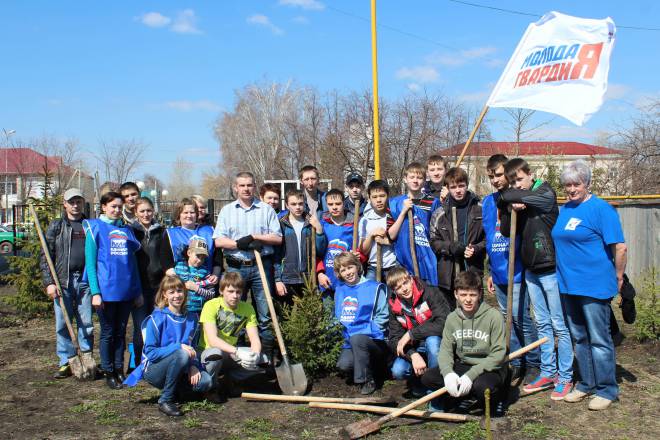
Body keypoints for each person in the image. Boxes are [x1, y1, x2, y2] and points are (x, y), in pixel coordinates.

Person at [552, 160, 627, 410]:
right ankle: (586, 384)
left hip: (594, 285)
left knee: (599, 339)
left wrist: (619, 277)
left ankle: (607, 389)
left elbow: (620, 247)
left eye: (576, 184)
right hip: (568, 285)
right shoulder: (565, 210)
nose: (571, 189)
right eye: (567, 185)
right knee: (579, 338)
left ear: (587, 183)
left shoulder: (601, 210)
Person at [498, 158, 573, 400]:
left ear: (531, 174)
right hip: (531, 269)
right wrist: (511, 208)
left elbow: (513, 196)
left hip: (550, 267)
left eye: (520, 179)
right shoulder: (519, 198)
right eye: (512, 182)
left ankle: (565, 377)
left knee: (559, 325)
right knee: (542, 324)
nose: (517, 185)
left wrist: (514, 198)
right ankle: (548, 372)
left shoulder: (545, 191)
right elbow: (504, 228)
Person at [482, 155, 540, 385]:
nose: (495, 180)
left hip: (516, 268)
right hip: (498, 270)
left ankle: (534, 363)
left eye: (498, 175)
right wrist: (489, 270)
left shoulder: (519, 197)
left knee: (520, 317)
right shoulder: (488, 202)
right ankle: (516, 361)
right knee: (507, 317)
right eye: (491, 176)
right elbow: (489, 236)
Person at [213, 171, 283, 361]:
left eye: (249, 185)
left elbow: (277, 237)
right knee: (234, 311)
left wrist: (256, 238)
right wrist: (238, 244)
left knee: (265, 312)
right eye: (242, 185)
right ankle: (239, 355)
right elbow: (218, 241)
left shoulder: (265, 209)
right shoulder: (227, 211)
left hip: (261, 266)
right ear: (235, 187)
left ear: (254, 186)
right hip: (236, 267)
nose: (246, 188)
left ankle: (266, 356)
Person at [123, 276, 213, 417]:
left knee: (206, 382)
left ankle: (177, 390)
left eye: (179, 291)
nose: (177, 295)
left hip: (182, 365)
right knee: (181, 354)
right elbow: (151, 353)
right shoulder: (156, 319)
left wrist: (193, 365)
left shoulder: (193, 318)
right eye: (171, 292)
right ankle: (165, 400)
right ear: (164, 294)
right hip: (154, 369)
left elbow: (193, 347)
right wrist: (178, 347)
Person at [421, 270, 507, 416]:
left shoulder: (494, 316)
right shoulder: (452, 318)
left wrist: (471, 375)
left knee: (483, 387)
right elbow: (445, 351)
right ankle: (465, 396)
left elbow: (498, 354)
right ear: (456, 294)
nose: (468, 299)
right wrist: (448, 374)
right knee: (428, 378)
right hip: (464, 364)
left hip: (489, 368)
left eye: (472, 295)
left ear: (480, 294)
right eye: (463, 294)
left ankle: (496, 399)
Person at [84, 191, 143, 389]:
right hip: (106, 293)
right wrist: (96, 293)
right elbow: (91, 264)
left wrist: (137, 291)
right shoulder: (95, 228)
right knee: (108, 332)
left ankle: (119, 368)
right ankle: (109, 370)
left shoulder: (127, 231)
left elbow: (132, 264)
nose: (117, 210)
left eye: (119, 207)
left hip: (125, 292)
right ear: (103, 207)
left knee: (121, 332)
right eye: (113, 207)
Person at [40, 188, 93, 379]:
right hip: (62, 281)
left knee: (86, 322)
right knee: (63, 323)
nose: (75, 205)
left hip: (85, 280)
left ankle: (87, 356)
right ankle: (66, 360)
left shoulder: (89, 225)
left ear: (82, 203)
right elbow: (46, 256)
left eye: (78, 201)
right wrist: (49, 282)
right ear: (65, 204)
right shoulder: (57, 226)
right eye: (71, 202)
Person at [386, 266, 451, 397]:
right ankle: (420, 384)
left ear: (411, 279)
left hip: (438, 343)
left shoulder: (430, 292)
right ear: (394, 290)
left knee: (432, 342)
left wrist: (411, 333)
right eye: (398, 287)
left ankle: (437, 390)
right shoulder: (394, 305)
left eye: (405, 283)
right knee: (398, 370)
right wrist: (413, 354)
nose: (404, 289)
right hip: (415, 347)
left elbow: (444, 322)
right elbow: (394, 339)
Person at [199, 272, 266, 398]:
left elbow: (255, 339)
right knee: (215, 354)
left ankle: (229, 381)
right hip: (208, 352)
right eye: (230, 291)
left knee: (263, 360)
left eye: (238, 292)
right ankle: (211, 388)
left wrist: (255, 355)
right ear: (221, 291)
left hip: (230, 354)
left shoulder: (248, 308)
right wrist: (237, 351)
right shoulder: (211, 305)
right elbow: (213, 340)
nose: (235, 296)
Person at [334, 252, 389, 395]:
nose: (348, 273)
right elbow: (338, 317)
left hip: (374, 340)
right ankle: (368, 368)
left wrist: (366, 332)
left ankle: (367, 380)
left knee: (358, 339)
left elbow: (382, 317)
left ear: (357, 267)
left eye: (350, 267)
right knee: (344, 365)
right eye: (343, 270)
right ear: (339, 273)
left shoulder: (375, 288)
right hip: (351, 340)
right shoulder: (340, 291)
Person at [429, 167, 486, 294]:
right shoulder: (440, 213)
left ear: (467, 185)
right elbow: (433, 241)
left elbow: (488, 238)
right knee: (450, 313)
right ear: (448, 189)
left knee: (473, 310)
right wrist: (449, 247)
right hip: (448, 275)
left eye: (461, 186)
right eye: (453, 187)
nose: (458, 191)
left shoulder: (480, 209)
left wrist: (476, 248)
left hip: (472, 270)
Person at [388, 162, 441, 287]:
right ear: (405, 179)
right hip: (403, 259)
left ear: (424, 180)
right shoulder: (395, 203)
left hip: (427, 258)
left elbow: (437, 232)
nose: (415, 181)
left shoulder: (433, 202)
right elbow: (391, 235)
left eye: (419, 178)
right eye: (412, 177)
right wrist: (404, 211)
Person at [274, 189, 327, 305]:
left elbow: (320, 251)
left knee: (309, 316)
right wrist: (277, 279)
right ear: (287, 205)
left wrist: (318, 229)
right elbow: (276, 255)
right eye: (293, 204)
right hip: (287, 278)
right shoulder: (281, 224)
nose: (297, 207)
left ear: (304, 204)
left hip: (308, 278)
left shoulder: (311, 223)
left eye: (300, 204)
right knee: (287, 317)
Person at [130, 197, 164, 367]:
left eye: (149, 210)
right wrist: (135, 291)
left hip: (159, 287)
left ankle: (157, 361)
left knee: (158, 325)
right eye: (142, 211)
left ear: (153, 211)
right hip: (139, 287)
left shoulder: (161, 232)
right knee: (141, 327)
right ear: (136, 212)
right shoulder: (131, 232)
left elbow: (165, 258)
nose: (146, 214)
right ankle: (139, 362)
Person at [161, 198, 222, 282]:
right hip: (181, 283)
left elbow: (217, 256)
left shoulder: (209, 231)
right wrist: (180, 281)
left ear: (196, 214)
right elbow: (165, 262)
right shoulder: (170, 234)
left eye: (192, 212)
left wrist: (215, 274)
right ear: (179, 215)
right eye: (185, 212)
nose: (189, 215)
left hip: (207, 281)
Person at [318, 189, 356, 296]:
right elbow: (317, 252)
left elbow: (360, 250)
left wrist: (358, 256)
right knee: (328, 311)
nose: (334, 207)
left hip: (348, 280)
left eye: (338, 204)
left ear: (344, 204)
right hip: (327, 280)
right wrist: (320, 273)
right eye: (330, 204)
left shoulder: (353, 224)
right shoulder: (322, 225)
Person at [166, 236, 216, 316]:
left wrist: (196, 288)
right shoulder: (178, 268)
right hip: (178, 310)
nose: (200, 260)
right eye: (197, 256)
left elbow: (211, 294)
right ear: (189, 253)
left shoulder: (205, 272)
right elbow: (169, 287)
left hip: (197, 312)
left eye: (203, 258)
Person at [359, 180, 397, 282]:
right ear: (369, 198)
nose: (379, 200)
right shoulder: (364, 220)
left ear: (388, 195)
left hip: (393, 265)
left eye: (382, 196)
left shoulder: (393, 216)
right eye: (374, 197)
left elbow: (401, 243)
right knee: (370, 294)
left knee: (393, 296)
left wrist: (386, 240)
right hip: (374, 266)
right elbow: (364, 250)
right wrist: (371, 235)